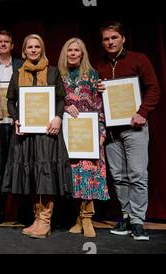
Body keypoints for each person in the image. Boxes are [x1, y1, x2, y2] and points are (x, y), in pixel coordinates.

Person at [2, 34, 72, 239]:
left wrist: (58, 117)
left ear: (42, 50)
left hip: (47, 133)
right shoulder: (17, 74)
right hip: (26, 133)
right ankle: (37, 218)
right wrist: (16, 119)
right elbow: (10, 102)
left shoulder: (52, 72)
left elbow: (60, 99)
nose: (33, 50)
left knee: (46, 174)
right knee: (31, 174)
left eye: (37, 47)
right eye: (29, 47)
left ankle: (45, 221)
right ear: (24, 50)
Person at [96, 21, 161, 241]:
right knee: (119, 177)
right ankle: (125, 215)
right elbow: (97, 102)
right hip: (113, 131)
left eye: (114, 37)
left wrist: (142, 112)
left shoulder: (139, 59)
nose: (110, 42)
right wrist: (98, 91)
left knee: (137, 175)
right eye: (106, 39)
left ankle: (137, 221)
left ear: (123, 38)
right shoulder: (100, 67)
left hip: (135, 128)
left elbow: (153, 89)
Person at [58, 38, 110, 238]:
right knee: (73, 175)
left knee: (89, 171)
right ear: (65, 53)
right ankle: (78, 217)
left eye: (76, 50)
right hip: (68, 133)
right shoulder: (58, 75)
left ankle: (87, 218)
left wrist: (102, 131)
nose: (72, 53)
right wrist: (63, 106)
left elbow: (99, 105)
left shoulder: (92, 75)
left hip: (89, 133)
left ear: (82, 54)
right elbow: (52, 103)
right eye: (69, 50)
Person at [0, 30, 23, 227]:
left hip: (19, 125)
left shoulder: (22, 65)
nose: (2, 44)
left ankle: (23, 213)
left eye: (6, 41)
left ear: (12, 45)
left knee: (21, 168)